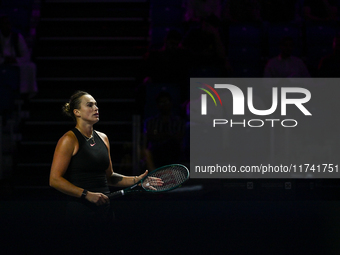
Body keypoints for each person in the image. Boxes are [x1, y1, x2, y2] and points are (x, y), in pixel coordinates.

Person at [49, 91, 161, 225]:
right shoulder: (69, 139)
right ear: (77, 112)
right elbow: (54, 180)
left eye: (96, 105)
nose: (96, 108)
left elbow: (110, 177)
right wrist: (86, 194)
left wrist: (138, 180)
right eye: (90, 105)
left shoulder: (103, 138)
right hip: (81, 212)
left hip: (105, 211)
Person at [0, 15, 37, 98]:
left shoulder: (17, 37)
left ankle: (25, 94)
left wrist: (15, 60)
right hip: (2, 62)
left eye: (7, 24)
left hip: (16, 62)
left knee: (31, 66)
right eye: (3, 24)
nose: (6, 26)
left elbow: (26, 55)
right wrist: (4, 60)